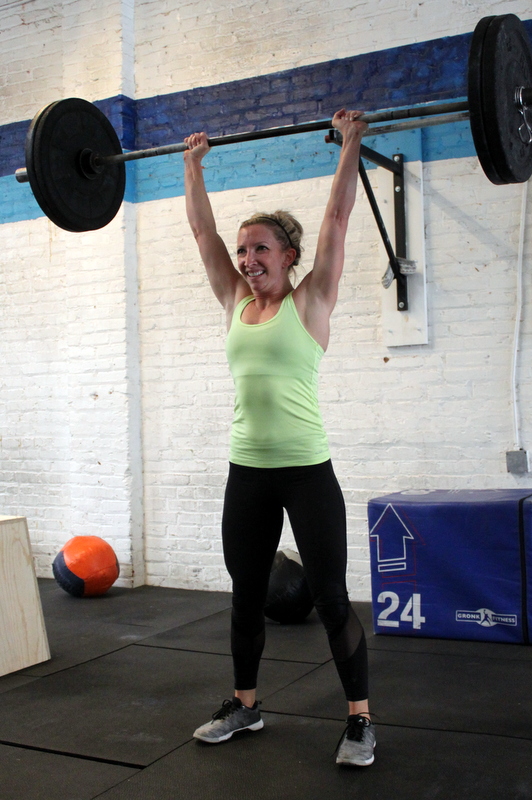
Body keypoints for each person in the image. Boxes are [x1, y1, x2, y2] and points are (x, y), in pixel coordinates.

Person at [183, 108, 374, 767]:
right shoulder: (235, 301)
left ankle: (359, 720)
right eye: (244, 251)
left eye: (260, 249)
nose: (247, 260)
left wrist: (350, 143)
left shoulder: (311, 300)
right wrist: (192, 165)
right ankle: (246, 704)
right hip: (247, 472)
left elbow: (337, 219)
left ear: (289, 256)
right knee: (246, 593)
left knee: (329, 598)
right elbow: (202, 232)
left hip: (306, 470)